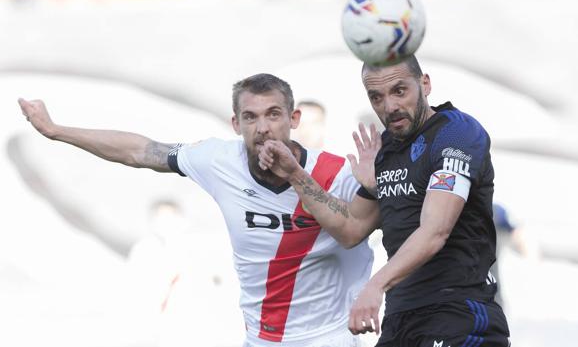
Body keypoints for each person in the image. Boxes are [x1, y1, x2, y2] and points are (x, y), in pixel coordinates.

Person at [17, 73, 373, 347]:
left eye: (273, 114)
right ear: (236, 124)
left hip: (329, 336)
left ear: (293, 119)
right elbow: (141, 151)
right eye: (250, 117)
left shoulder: (338, 172)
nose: (263, 128)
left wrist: (297, 176)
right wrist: (56, 131)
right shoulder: (219, 159)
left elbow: (356, 231)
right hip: (262, 338)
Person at [258, 55, 511, 347]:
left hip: (457, 313)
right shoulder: (386, 150)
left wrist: (375, 285)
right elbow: (351, 228)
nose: (389, 107)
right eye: (376, 97)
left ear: (425, 84)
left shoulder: (455, 132)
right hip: (402, 318)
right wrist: (295, 173)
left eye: (399, 91)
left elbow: (435, 230)